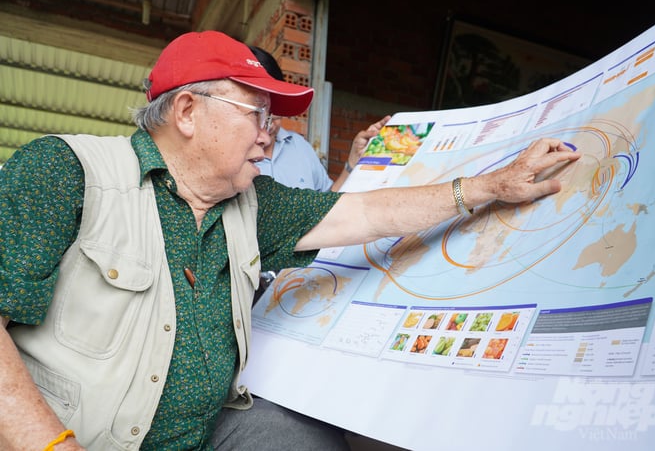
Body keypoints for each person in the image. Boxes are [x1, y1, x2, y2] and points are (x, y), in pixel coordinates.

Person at [0, 30, 581, 451]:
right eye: (258, 114)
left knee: (299, 434)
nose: (269, 136)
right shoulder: (64, 170)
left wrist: (488, 186)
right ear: (186, 111)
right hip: (77, 439)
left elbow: (365, 214)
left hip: (198, 434)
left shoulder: (254, 202)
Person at [249, 45, 390, 192]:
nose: (267, 125)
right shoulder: (233, 153)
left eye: (274, 112)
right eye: (258, 112)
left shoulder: (299, 145)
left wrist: (353, 161)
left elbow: (326, 204)